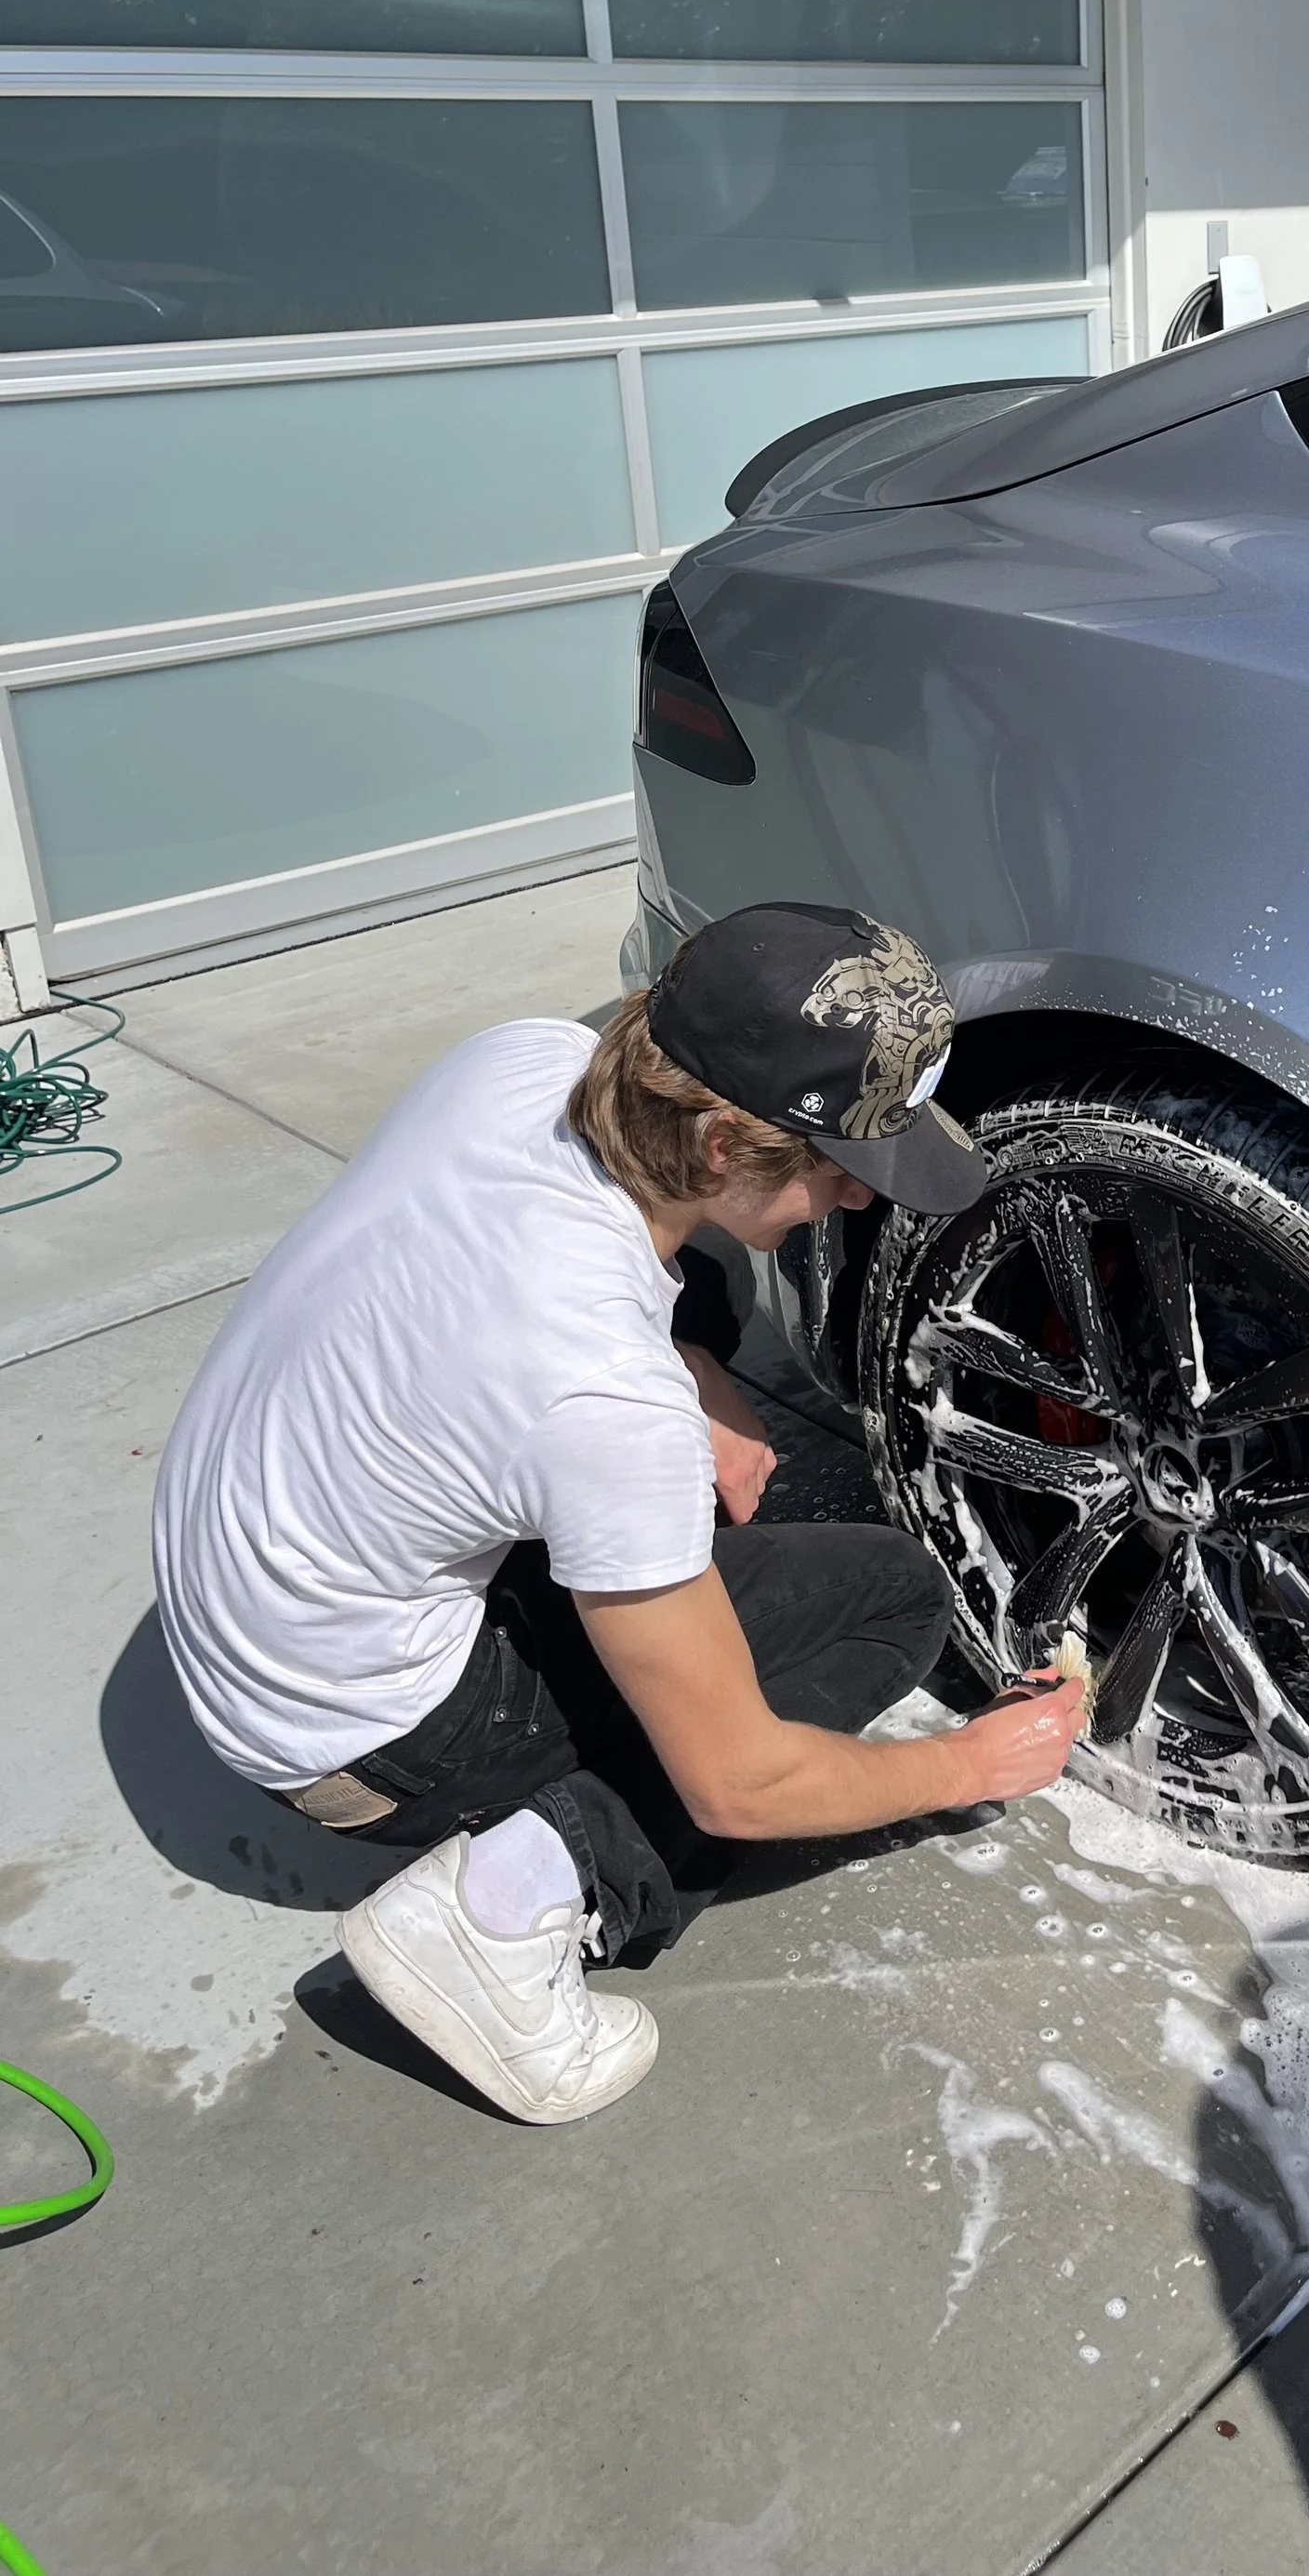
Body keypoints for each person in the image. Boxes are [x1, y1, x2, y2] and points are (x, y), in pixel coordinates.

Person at [152, 902, 1083, 2125]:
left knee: (701, 1275)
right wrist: (962, 1762)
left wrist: (693, 1388)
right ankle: (503, 1912)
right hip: (350, 1736)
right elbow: (738, 1787)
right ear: (712, 1148)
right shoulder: (600, 1403)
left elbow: (551, 1320)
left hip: (255, 1567)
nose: (858, 1205)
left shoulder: (529, 1059)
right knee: (885, 1607)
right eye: (839, 1169)